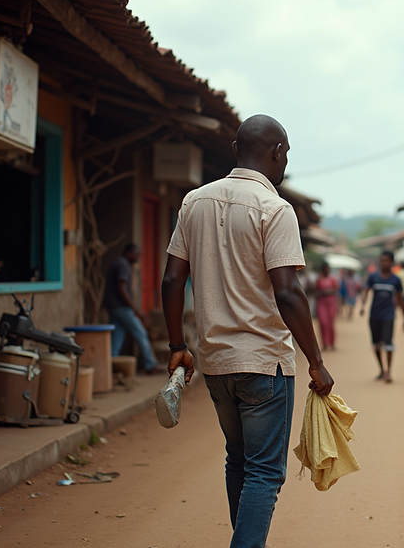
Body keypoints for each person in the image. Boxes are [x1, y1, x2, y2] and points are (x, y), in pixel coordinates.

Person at [160, 114, 334, 548]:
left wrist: (177, 346)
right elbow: (289, 294)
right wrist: (316, 362)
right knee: (264, 472)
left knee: (237, 460)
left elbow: (170, 281)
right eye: (286, 154)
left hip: (217, 364)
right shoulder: (275, 210)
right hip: (264, 365)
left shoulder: (193, 202)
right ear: (278, 153)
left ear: (236, 151)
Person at [105, 243, 162, 374]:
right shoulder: (123, 265)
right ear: (128, 253)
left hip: (113, 307)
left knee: (116, 339)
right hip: (121, 307)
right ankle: (150, 365)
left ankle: (109, 368)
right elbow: (122, 288)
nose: (138, 257)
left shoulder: (118, 263)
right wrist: (136, 310)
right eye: (136, 254)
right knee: (141, 333)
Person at [360, 251, 404, 383]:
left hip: (389, 315)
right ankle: (381, 369)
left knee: (388, 343)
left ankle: (388, 372)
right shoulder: (373, 277)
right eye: (382, 260)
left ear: (391, 262)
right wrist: (363, 304)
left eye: (387, 261)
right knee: (376, 344)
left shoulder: (396, 280)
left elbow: (400, 299)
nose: (384, 263)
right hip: (374, 315)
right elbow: (365, 291)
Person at [315, 263, 339, 351]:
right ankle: (325, 343)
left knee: (330, 323)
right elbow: (316, 291)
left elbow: (336, 290)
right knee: (323, 323)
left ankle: (332, 342)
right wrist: (322, 293)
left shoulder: (332, 279)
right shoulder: (319, 280)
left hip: (331, 303)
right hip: (322, 303)